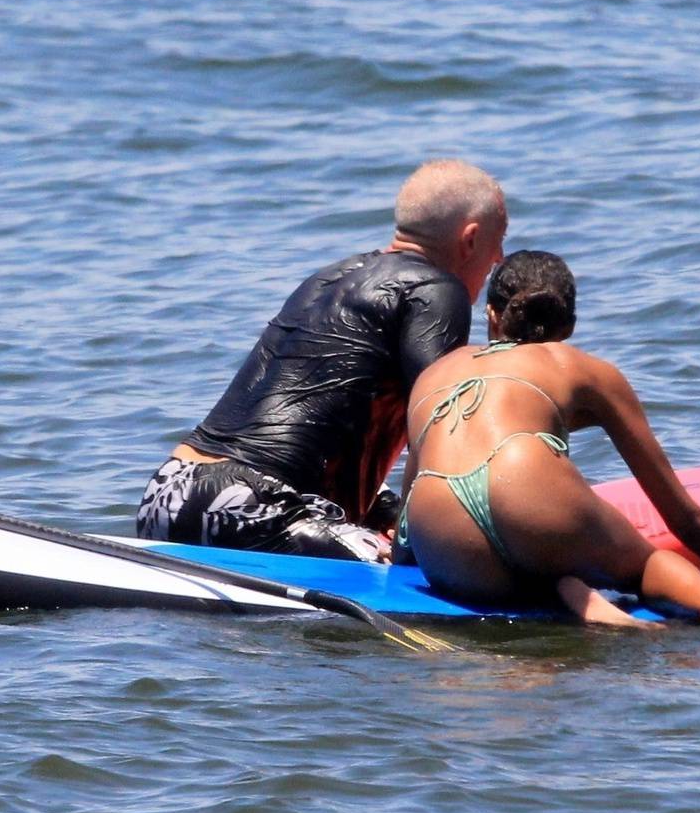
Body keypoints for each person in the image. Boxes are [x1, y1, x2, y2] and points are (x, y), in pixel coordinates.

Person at [397, 250, 700, 626]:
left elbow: (406, 516)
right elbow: (680, 511)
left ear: (490, 316)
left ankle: (563, 591)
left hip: (439, 516)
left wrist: (399, 566)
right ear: (570, 326)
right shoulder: (583, 368)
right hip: (524, 478)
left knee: (510, 585)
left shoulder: (438, 371)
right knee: (647, 565)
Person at [136, 160, 507, 561]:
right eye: (498, 241)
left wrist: (385, 512)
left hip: (168, 495)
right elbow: (444, 423)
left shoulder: (330, 276)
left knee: (377, 518)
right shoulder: (436, 288)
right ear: (469, 240)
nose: (499, 257)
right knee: (447, 562)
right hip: (257, 508)